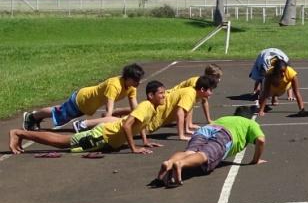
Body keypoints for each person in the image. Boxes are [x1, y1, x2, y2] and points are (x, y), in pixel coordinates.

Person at [10, 80, 166, 155]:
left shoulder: (150, 108)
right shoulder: (145, 106)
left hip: (107, 140)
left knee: (64, 143)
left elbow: (140, 124)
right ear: (151, 95)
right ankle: (19, 133)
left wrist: (145, 142)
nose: (164, 96)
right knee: (63, 142)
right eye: (161, 93)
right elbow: (127, 126)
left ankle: (21, 133)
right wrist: (134, 148)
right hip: (100, 136)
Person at [154, 110, 266, 187]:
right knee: (205, 154)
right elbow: (261, 140)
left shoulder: (225, 117)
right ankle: (180, 164)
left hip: (207, 129)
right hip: (225, 135)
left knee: (189, 151)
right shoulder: (250, 123)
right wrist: (255, 160)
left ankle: (169, 162)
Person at [22, 63, 145, 131]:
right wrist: (104, 129)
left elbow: (134, 107)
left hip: (88, 105)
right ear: (127, 78)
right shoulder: (114, 85)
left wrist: (138, 119)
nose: (138, 83)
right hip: (82, 100)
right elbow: (109, 111)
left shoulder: (131, 87)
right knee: (60, 113)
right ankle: (32, 116)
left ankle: (35, 116)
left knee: (60, 111)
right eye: (136, 80)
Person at [149, 76, 216, 140]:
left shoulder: (193, 93)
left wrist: (186, 130)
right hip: (150, 121)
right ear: (202, 89)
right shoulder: (190, 94)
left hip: (153, 119)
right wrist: (181, 135)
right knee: (142, 129)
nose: (211, 93)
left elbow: (187, 111)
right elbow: (180, 113)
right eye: (210, 90)